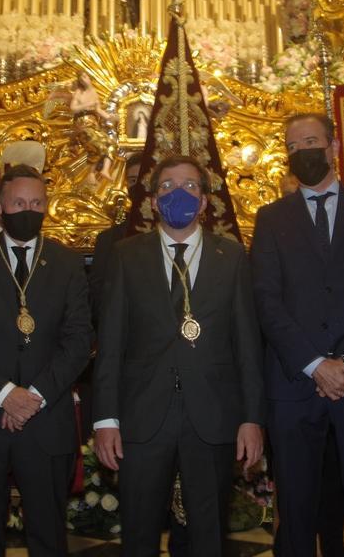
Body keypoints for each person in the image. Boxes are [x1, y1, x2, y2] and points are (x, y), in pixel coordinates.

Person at [92, 155, 264, 554]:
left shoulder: (233, 256)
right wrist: (105, 419)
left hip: (213, 414)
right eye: (167, 186)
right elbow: (111, 343)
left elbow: (248, 345)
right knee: (139, 531)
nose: (179, 194)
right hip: (142, 415)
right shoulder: (126, 255)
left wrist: (252, 418)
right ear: (153, 201)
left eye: (190, 186)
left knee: (208, 534)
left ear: (205, 201)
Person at [251, 112, 344, 556]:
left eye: (311, 141)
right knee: (296, 509)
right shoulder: (271, 217)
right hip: (295, 383)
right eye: (294, 146)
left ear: (334, 148)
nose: (303, 152)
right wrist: (317, 365)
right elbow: (266, 299)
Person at [0, 163, 92, 555]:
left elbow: (79, 341)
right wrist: (6, 393)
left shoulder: (67, 263)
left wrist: (34, 395)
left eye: (37, 202)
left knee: (48, 534)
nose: (29, 209)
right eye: (19, 202)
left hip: (46, 419)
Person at [88, 152, 144, 318]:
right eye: (133, 180)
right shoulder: (108, 239)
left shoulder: (173, 232)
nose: (138, 186)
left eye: (143, 179)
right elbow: (98, 294)